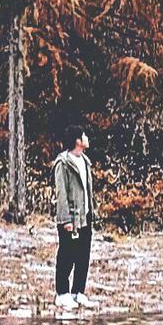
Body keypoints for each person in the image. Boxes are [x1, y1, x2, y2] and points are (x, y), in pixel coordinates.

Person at [52, 128, 94, 306]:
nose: (87, 138)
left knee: (83, 255)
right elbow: (61, 193)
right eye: (84, 135)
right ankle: (62, 293)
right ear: (77, 140)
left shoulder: (85, 161)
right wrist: (65, 219)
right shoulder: (63, 163)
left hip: (85, 216)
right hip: (70, 218)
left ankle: (78, 292)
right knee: (67, 254)